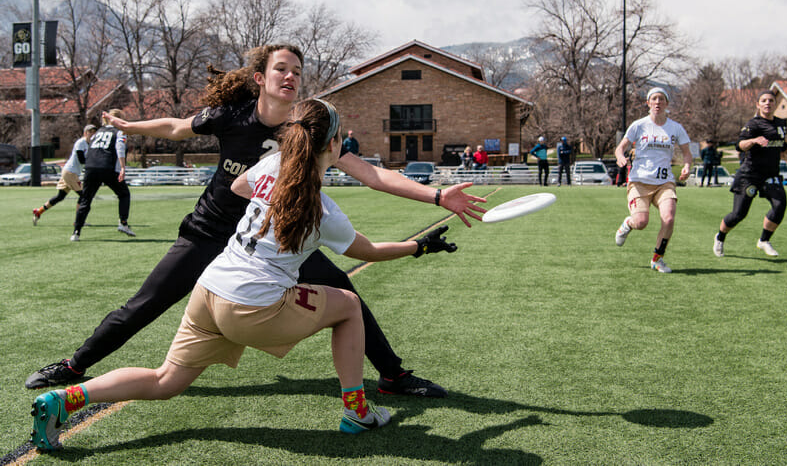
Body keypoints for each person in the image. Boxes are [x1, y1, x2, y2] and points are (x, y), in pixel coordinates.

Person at [25, 44, 485, 398]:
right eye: (282, 69)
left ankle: (393, 376)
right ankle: (75, 365)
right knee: (147, 301)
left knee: (347, 294)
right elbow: (176, 127)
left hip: (275, 239)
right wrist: (130, 128)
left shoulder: (308, 128)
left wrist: (439, 195)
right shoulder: (231, 115)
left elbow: (373, 174)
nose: (290, 77)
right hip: (211, 234)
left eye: (297, 72)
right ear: (260, 78)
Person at [29, 99, 460, 450]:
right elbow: (370, 251)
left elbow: (239, 188)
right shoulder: (323, 209)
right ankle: (357, 412)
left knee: (166, 380)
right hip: (252, 305)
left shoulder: (269, 168)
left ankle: (65, 399)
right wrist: (418, 246)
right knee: (347, 305)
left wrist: (268, 204)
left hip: (210, 290)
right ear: (332, 146)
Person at [713, 89, 787, 258]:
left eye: (771, 100)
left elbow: (781, 144)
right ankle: (720, 236)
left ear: (775, 104)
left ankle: (764, 240)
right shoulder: (753, 124)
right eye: (764, 100)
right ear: (758, 104)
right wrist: (753, 141)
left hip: (771, 174)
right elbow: (739, 145)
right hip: (749, 175)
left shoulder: (781, 123)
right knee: (739, 214)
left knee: (780, 205)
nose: (768, 103)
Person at [613, 87, 692, 273]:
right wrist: (620, 157)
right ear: (648, 103)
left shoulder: (675, 128)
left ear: (666, 103)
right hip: (639, 182)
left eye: (661, 99)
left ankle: (658, 259)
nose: (658, 102)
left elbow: (687, 153)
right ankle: (627, 224)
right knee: (641, 222)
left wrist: (687, 166)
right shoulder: (639, 125)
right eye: (654, 99)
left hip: (664, 183)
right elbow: (620, 147)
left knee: (669, 217)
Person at [70, 110, 135, 242]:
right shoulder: (119, 132)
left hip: (90, 167)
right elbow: (120, 148)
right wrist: (122, 167)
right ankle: (123, 223)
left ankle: (76, 232)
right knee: (124, 194)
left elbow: (90, 150)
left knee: (86, 199)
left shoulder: (97, 132)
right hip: (107, 167)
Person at [32, 124, 97, 225]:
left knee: (60, 196)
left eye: (94, 132)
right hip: (70, 172)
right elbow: (81, 159)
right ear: (85, 133)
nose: (92, 134)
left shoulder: (91, 144)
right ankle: (78, 221)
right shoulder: (81, 142)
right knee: (84, 196)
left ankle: (39, 211)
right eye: (90, 132)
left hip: (70, 172)